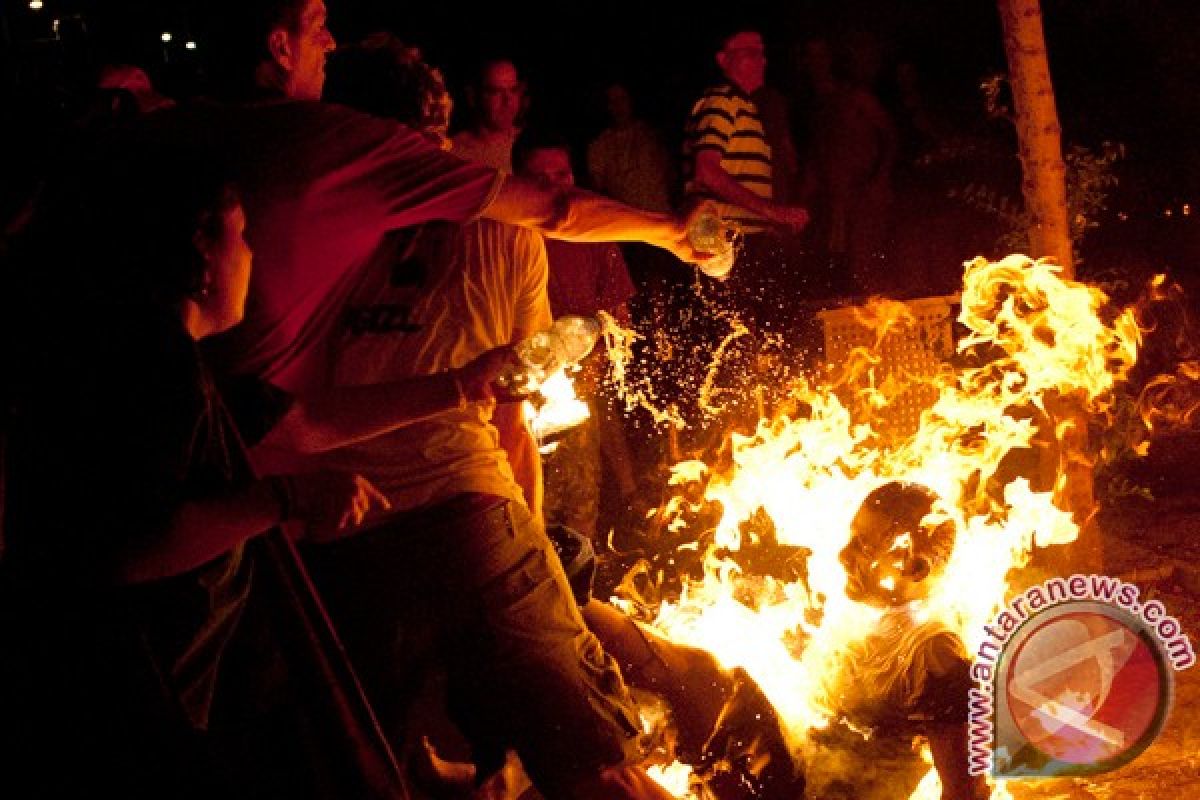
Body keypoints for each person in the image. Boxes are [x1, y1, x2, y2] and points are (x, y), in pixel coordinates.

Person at [0, 138, 520, 798]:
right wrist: (283, 497)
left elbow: (307, 422)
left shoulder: (182, 362)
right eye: (240, 235)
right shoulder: (152, 372)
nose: (253, 254)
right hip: (140, 698)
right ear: (199, 254)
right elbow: (126, 546)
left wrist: (462, 387)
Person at [514, 126, 640, 538]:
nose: (555, 188)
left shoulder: (594, 232)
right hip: (518, 396)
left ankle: (577, 590)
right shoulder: (507, 238)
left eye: (563, 175)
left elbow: (619, 315)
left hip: (579, 388)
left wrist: (599, 354)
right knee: (530, 503)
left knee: (581, 498)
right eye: (541, 179)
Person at [451, 57, 526, 171]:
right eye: (495, 92)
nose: (508, 101)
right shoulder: (454, 152)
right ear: (472, 96)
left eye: (513, 90)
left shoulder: (531, 144)